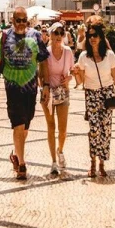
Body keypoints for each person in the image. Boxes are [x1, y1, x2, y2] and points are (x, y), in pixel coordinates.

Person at [0, 6, 49, 180]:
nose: (22, 23)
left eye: (24, 20)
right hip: (13, 88)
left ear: (28, 21)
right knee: (18, 125)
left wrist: (45, 85)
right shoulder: (5, 36)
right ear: (12, 21)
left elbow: (43, 61)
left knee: (25, 126)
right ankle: (22, 164)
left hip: (30, 89)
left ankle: (16, 154)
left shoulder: (35, 36)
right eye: (18, 20)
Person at [74, 22, 115, 178]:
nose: (92, 38)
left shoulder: (109, 55)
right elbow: (82, 81)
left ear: (101, 37)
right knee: (94, 129)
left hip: (107, 94)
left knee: (106, 130)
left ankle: (102, 164)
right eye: (89, 36)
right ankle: (92, 163)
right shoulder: (84, 57)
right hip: (91, 94)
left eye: (95, 35)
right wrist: (77, 73)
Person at [41, 22, 74, 175]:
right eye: (55, 33)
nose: (58, 36)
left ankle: (60, 150)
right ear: (50, 35)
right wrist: (45, 86)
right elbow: (41, 74)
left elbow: (73, 71)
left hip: (63, 91)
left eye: (61, 33)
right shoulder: (45, 53)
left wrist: (70, 78)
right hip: (48, 92)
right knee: (51, 126)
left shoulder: (68, 52)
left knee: (63, 129)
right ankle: (53, 161)